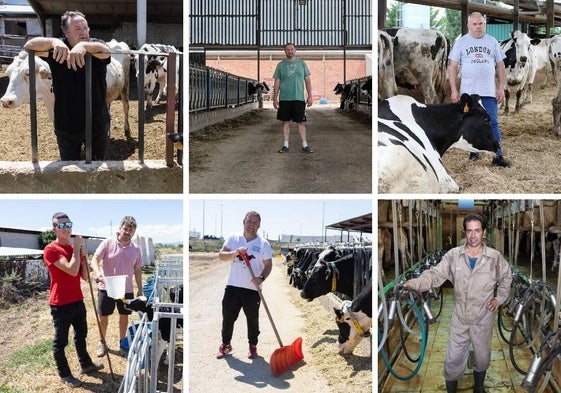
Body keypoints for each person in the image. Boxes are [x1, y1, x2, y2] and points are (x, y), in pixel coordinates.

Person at [403, 213, 512, 393]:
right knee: (453, 357)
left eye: (477, 231)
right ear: (465, 232)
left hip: (483, 315)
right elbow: (435, 275)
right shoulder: (454, 255)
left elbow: (506, 277)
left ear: (484, 232)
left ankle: (479, 387)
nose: (473, 235)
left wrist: (499, 298)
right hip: (460, 315)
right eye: (469, 231)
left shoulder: (494, 257)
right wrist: (413, 284)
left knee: (481, 355)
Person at [23, 10, 112, 161]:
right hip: (66, 124)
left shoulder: (95, 46)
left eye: (85, 28)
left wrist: (84, 45)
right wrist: (53, 42)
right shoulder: (58, 49)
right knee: (69, 168)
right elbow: (28, 46)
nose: (83, 32)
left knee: (97, 166)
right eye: (77, 29)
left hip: (96, 123)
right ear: (66, 33)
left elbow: (106, 51)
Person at [43, 212, 104, 388]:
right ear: (55, 229)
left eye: (68, 224)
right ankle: (65, 374)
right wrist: (77, 249)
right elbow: (70, 269)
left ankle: (85, 364)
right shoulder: (51, 250)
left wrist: (83, 258)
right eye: (61, 225)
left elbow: (84, 276)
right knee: (61, 341)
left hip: (77, 300)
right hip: (60, 303)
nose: (66, 228)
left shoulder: (73, 249)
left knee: (81, 335)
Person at [448, 12, 511, 168]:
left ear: (484, 24)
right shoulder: (461, 42)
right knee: (470, 122)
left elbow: (501, 66)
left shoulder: (492, 41)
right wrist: (454, 90)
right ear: (469, 25)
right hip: (468, 92)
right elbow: (453, 67)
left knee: (493, 122)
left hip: (489, 91)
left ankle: (498, 156)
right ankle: (474, 152)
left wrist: (501, 87)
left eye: (481, 24)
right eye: (475, 24)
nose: (478, 27)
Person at [216, 211, 273, 359]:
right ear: (244, 222)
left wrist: (261, 278)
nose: (251, 225)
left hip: (252, 289)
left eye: (255, 223)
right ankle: (225, 344)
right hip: (233, 286)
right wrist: (236, 252)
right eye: (249, 222)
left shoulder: (263, 244)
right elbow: (221, 256)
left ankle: (252, 346)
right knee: (228, 317)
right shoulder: (233, 239)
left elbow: (268, 265)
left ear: (259, 225)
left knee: (252, 320)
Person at [89, 216, 142, 357]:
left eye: (130, 230)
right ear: (120, 228)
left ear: (134, 232)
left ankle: (122, 342)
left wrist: (140, 289)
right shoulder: (107, 243)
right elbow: (95, 258)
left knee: (124, 315)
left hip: (127, 290)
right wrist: (98, 272)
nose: (127, 232)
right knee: (103, 316)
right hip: (107, 287)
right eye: (125, 228)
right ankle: (102, 342)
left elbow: (137, 270)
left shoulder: (136, 249)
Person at [272, 42, 314, 153]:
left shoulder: (301, 63)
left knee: (301, 122)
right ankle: (285, 145)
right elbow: (277, 82)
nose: (290, 51)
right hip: (284, 98)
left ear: (295, 50)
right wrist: (275, 98)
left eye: (292, 49)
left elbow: (308, 80)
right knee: (285, 122)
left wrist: (310, 96)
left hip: (298, 98)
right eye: (287, 49)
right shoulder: (281, 65)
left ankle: (305, 145)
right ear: (285, 51)